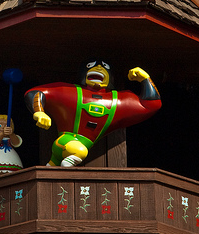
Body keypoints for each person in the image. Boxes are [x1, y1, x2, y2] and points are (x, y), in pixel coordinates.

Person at [24, 59, 161, 167]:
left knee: (51, 168)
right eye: (91, 66)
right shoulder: (69, 92)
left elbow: (151, 105)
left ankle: (54, 169)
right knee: (80, 151)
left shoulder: (118, 101)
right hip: (67, 139)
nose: (99, 68)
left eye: (105, 67)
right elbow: (35, 93)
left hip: (74, 145)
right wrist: (39, 111)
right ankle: (65, 170)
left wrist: (145, 79)